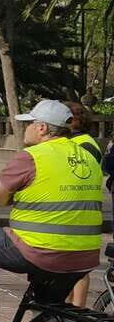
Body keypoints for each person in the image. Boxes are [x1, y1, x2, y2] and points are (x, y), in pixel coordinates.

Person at [0, 100, 102, 322]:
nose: (26, 129)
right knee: (48, 309)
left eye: (29, 123)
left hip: (40, 251)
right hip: (84, 257)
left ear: (42, 127)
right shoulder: (86, 156)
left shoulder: (32, 156)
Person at [64, 101, 102, 307]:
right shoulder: (79, 142)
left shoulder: (84, 144)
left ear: (76, 120)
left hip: (80, 211)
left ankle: (76, 312)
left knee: (78, 269)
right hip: (78, 211)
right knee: (71, 266)